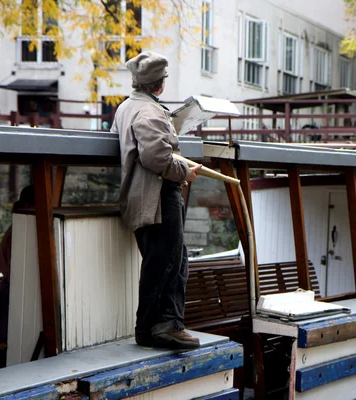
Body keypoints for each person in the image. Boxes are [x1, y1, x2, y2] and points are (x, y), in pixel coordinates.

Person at [111, 51, 203, 350]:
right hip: (159, 197)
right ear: (159, 84)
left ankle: (154, 328)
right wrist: (185, 173)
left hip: (141, 198)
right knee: (168, 265)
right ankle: (162, 328)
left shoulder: (126, 107)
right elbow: (155, 157)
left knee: (162, 262)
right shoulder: (151, 113)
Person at [0, 185, 35, 344]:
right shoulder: (18, 233)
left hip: (15, 291)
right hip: (13, 292)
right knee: (8, 342)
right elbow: (17, 269)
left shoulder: (21, 230)